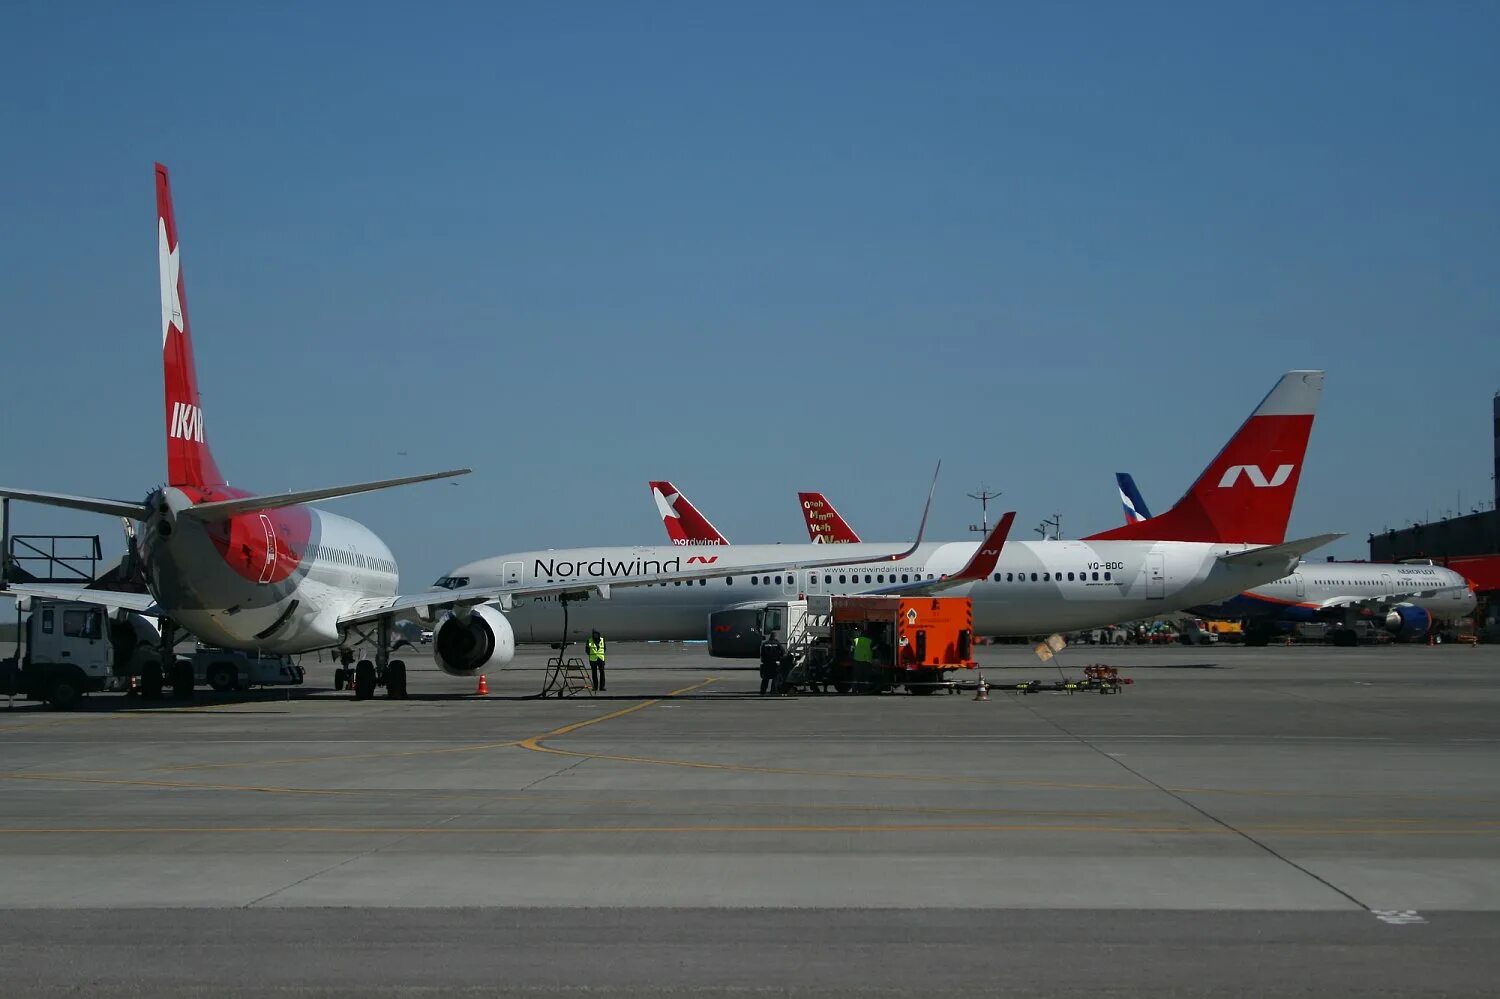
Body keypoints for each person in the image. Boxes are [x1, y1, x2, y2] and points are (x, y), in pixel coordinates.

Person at [760, 631, 784, 696]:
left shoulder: (765, 644)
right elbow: (783, 652)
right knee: (775, 677)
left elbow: (762, 654)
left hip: (767, 663)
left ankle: (763, 691)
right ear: (775, 636)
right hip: (775, 663)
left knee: (765, 678)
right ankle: (773, 691)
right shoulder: (777, 644)